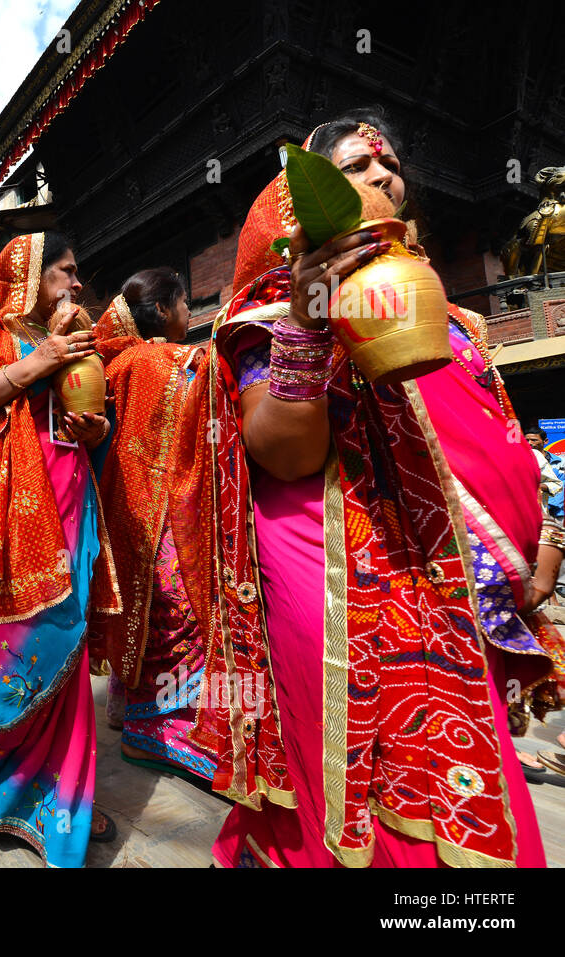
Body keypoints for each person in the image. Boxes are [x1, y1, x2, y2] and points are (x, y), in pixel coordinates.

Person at [200, 112, 564, 867]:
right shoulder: (269, 309)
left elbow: (499, 438)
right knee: (360, 773)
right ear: (304, 199)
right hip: (333, 564)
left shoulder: (453, 316)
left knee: (473, 768)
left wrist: (546, 535)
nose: (383, 175)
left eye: (390, 163)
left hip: (457, 573)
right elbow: (284, 455)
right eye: (356, 166)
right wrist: (309, 318)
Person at [0, 232, 120, 867]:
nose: (76, 283)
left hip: (70, 501)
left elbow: (81, 417)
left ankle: (64, 792)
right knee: (14, 644)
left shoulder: (66, 336)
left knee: (68, 637)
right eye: (65, 270)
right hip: (6, 513)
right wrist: (38, 363)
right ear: (30, 272)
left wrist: (96, 430)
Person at [89, 268, 216, 782]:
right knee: (174, 612)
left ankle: (124, 705)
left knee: (134, 608)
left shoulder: (116, 360)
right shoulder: (171, 360)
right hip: (161, 511)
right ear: (164, 310)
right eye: (185, 303)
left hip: (120, 507)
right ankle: (157, 730)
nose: (190, 314)